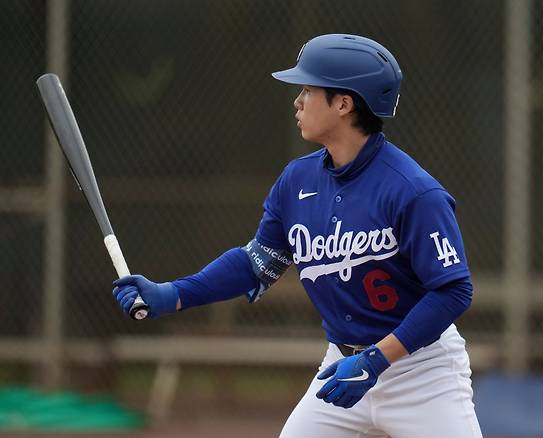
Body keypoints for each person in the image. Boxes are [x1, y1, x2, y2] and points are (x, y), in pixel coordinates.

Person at [113, 34, 483, 438]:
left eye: (309, 89)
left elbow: (453, 291)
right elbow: (256, 263)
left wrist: (377, 360)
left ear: (344, 104)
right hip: (342, 364)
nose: (298, 100)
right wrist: (173, 294)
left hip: (420, 371)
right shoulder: (298, 180)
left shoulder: (412, 191)